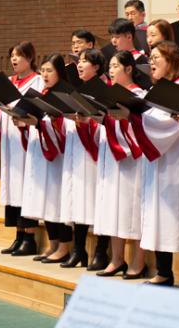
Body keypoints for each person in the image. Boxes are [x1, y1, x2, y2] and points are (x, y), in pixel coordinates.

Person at [128, 41, 179, 286]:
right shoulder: (154, 91)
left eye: (157, 57)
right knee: (159, 218)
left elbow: (167, 125)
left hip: (177, 163)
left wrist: (135, 118)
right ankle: (164, 272)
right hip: (158, 163)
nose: (152, 62)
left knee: (177, 218)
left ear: (172, 61)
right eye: (150, 57)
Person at [0, 42, 43, 256]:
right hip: (12, 142)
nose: (14, 59)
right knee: (13, 186)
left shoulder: (37, 80)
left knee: (26, 187)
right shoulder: (8, 82)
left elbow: (35, 110)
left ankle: (30, 237)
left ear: (30, 58)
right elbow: (2, 112)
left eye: (19, 55)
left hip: (27, 141)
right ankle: (18, 235)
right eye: (12, 56)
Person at [93, 51, 147, 279]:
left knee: (132, 210)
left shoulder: (139, 96)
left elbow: (142, 129)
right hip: (111, 159)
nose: (111, 70)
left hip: (132, 163)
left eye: (115, 66)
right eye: (110, 66)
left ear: (128, 69)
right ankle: (116, 259)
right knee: (113, 210)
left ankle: (138, 262)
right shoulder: (108, 96)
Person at [20, 54, 73, 263]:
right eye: (42, 70)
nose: (44, 74)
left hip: (59, 156)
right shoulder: (41, 94)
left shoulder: (64, 95)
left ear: (60, 72)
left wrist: (41, 123)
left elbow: (66, 127)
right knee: (47, 200)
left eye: (49, 70)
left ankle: (64, 246)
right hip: (42, 150)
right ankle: (53, 244)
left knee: (58, 201)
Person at [72, 49, 111, 269]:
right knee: (80, 200)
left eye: (85, 61)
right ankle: (79, 251)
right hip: (80, 150)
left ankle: (100, 252)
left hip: (100, 149)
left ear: (96, 67)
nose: (80, 64)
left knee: (99, 203)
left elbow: (107, 120)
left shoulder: (104, 90)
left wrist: (91, 122)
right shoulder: (78, 91)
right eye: (79, 61)